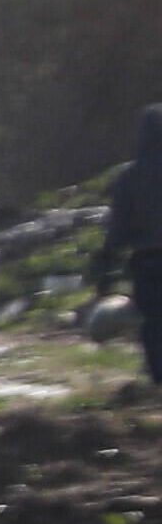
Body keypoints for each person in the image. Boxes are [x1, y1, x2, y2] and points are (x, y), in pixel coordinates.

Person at [109, 105, 162, 395]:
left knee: (154, 321)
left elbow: (119, 223)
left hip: (148, 258)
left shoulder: (129, 176)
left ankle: (158, 377)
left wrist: (109, 254)